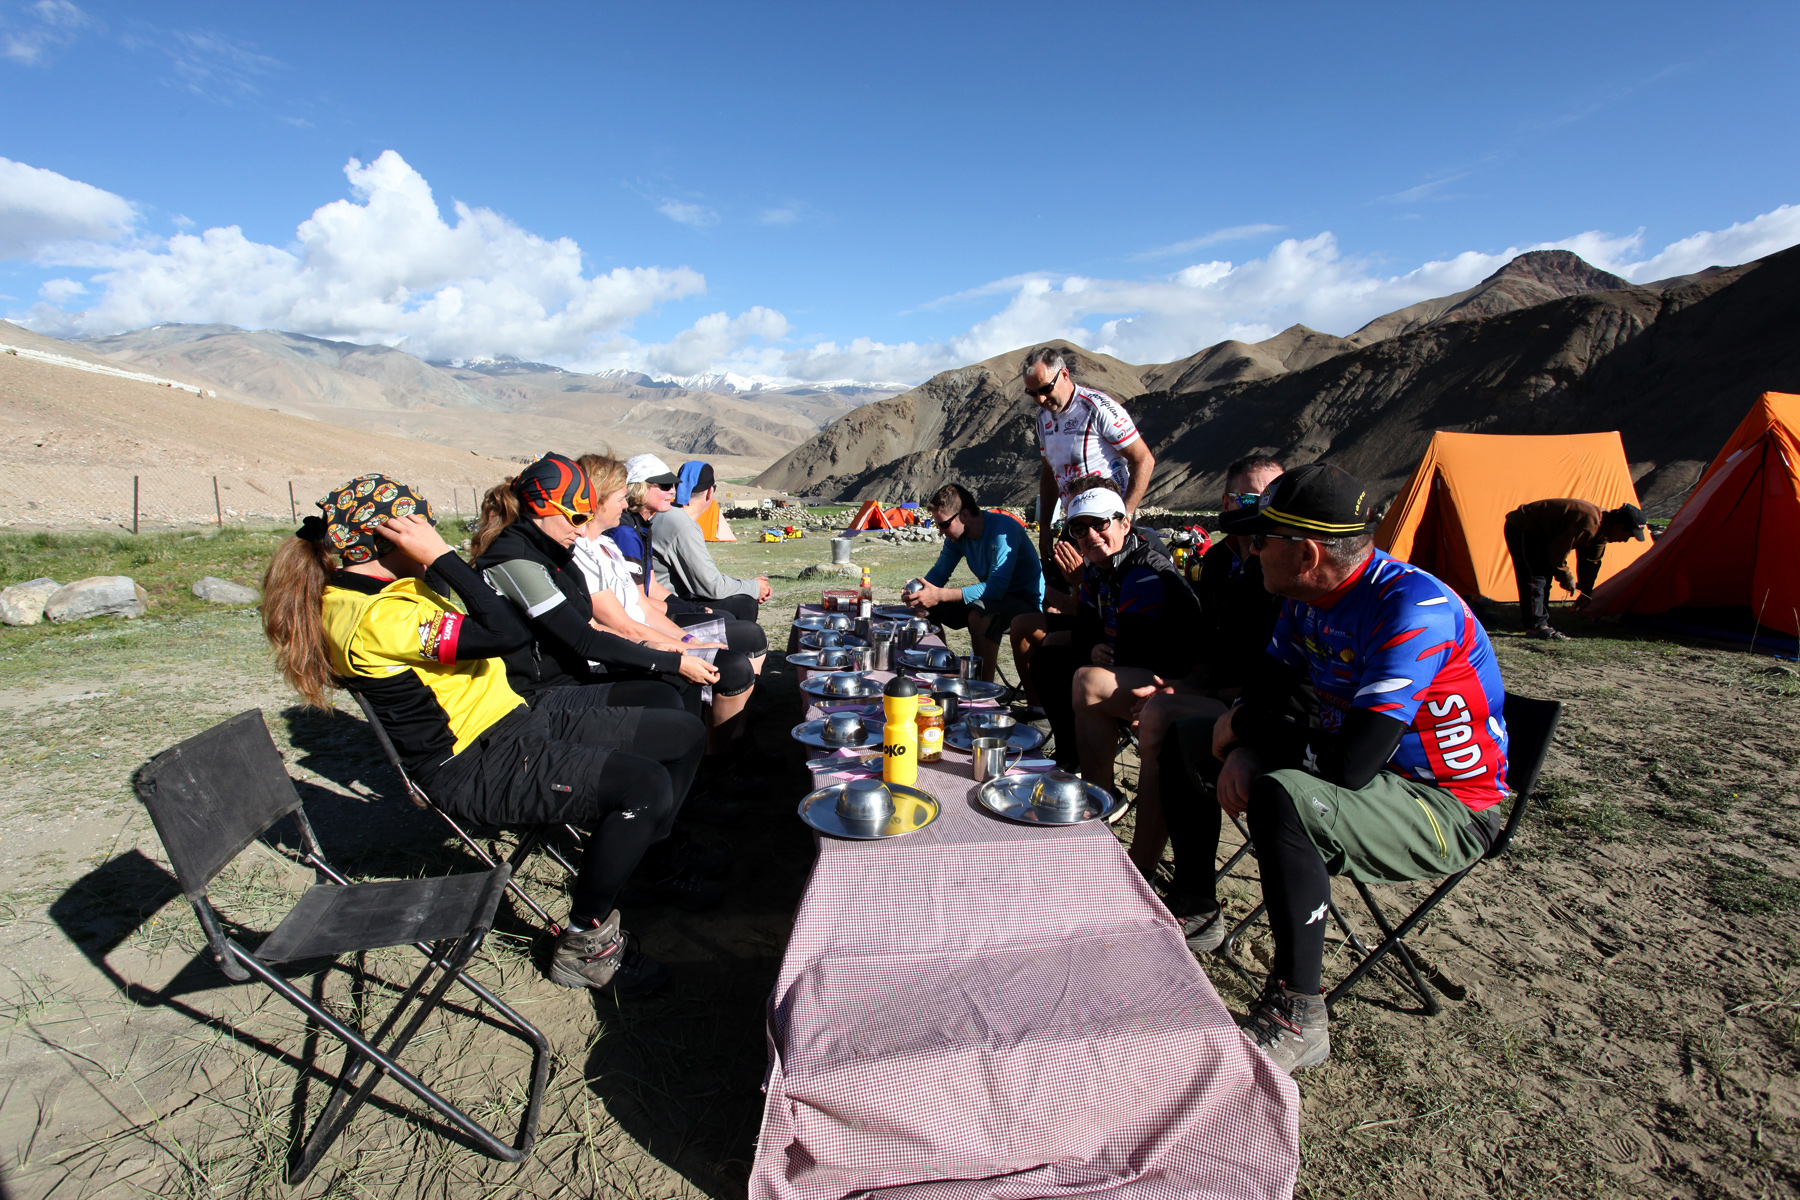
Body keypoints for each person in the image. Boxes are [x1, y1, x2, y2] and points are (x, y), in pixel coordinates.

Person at [260, 473, 682, 995]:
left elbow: (498, 623)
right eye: (420, 527)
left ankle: (636, 861)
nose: (432, 535)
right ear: (388, 539)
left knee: (678, 734)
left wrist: (434, 566)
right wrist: (441, 558)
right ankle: (584, 944)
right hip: (470, 761)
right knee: (642, 788)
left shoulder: (392, 589)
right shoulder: (376, 616)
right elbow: (508, 633)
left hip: (510, 721)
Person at [1161, 463, 1510, 1073]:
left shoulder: (1409, 608)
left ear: (1307, 552)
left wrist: (1248, 734)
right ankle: (1198, 908)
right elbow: (1266, 690)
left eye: (1260, 539)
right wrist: (1242, 737)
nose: (1249, 549)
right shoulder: (1307, 596)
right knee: (1188, 738)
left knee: (1282, 795)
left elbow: (1349, 764)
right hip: (1369, 772)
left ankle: (1300, 1014)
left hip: (1441, 804)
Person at [470, 454, 729, 910]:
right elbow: (585, 640)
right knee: (676, 707)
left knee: (678, 695)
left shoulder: (547, 550)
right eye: (575, 515)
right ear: (542, 509)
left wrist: (669, 656)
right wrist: (666, 658)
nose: (583, 525)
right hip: (542, 697)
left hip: (566, 681)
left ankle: (660, 831)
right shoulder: (515, 560)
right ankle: (654, 847)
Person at [1123, 454, 1286, 877]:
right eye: (1250, 497)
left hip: (1262, 706)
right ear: (1227, 501)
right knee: (1143, 697)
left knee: (1166, 718)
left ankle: (1149, 872)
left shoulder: (1283, 570)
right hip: (1223, 693)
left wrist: (1206, 696)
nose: (1261, 508)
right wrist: (1188, 684)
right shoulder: (1216, 562)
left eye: (1272, 497)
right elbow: (1209, 646)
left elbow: (1281, 671)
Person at [568, 451, 758, 752]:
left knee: (732, 638)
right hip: (618, 649)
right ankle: (719, 754)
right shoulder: (607, 541)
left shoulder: (608, 543)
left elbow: (642, 601)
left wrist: (687, 639)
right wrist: (684, 647)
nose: (624, 503)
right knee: (733, 656)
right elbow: (622, 623)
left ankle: (719, 747)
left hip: (641, 632)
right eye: (619, 496)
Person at [1031, 482, 1201, 792]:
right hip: (1125, 656)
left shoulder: (1141, 573)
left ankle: (1099, 790)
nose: (1091, 535)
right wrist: (1093, 645)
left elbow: (1136, 650)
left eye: (1100, 524)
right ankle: (1072, 757)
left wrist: (1094, 647)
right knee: (1049, 657)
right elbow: (1084, 627)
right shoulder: (1097, 570)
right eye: (1080, 529)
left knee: (1085, 679)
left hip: (1170, 675)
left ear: (1125, 524)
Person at [609, 454, 769, 676]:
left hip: (657, 606)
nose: (672, 491)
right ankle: (734, 679)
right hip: (644, 618)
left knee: (736, 609)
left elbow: (652, 587)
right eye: (665, 486)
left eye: (673, 485)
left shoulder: (646, 524)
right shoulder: (632, 532)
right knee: (743, 621)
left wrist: (693, 612)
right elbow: (710, 586)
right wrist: (753, 587)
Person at [1021, 344, 1155, 587]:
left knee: (1110, 592)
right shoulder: (1042, 419)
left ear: (1064, 374)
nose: (1040, 399)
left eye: (1045, 389)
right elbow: (1049, 475)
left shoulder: (1098, 408)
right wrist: (1043, 533)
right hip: (1076, 522)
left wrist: (1126, 514)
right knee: (1058, 594)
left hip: (1107, 524)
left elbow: (1143, 459)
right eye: (1031, 393)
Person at [900, 483, 1044, 684]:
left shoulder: (1003, 530)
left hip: (1025, 602)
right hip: (995, 599)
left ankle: (982, 690)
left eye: (944, 525)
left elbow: (996, 588)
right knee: (925, 606)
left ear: (965, 515)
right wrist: (919, 590)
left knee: (981, 612)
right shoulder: (957, 538)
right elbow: (940, 573)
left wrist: (940, 594)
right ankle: (940, 671)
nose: (941, 532)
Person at [1502, 499, 1648, 639]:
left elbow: (1591, 562)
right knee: (1536, 577)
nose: (1624, 540)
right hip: (1523, 527)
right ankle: (1536, 627)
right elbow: (1557, 553)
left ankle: (1542, 622)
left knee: (1544, 575)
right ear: (1619, 527)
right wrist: (1567, 578)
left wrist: (1585, 592)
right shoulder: (1587, 524)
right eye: (1627, 536)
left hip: (1544, 534)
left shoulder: (1603, 532)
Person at [650, 459, 772, 623]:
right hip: (669, 603)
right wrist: (754, 587)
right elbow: (711, 585)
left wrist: (749, 585)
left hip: (662, 598)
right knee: (744, 605)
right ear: (710, 492)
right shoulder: (682, 525)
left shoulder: (669, 515)